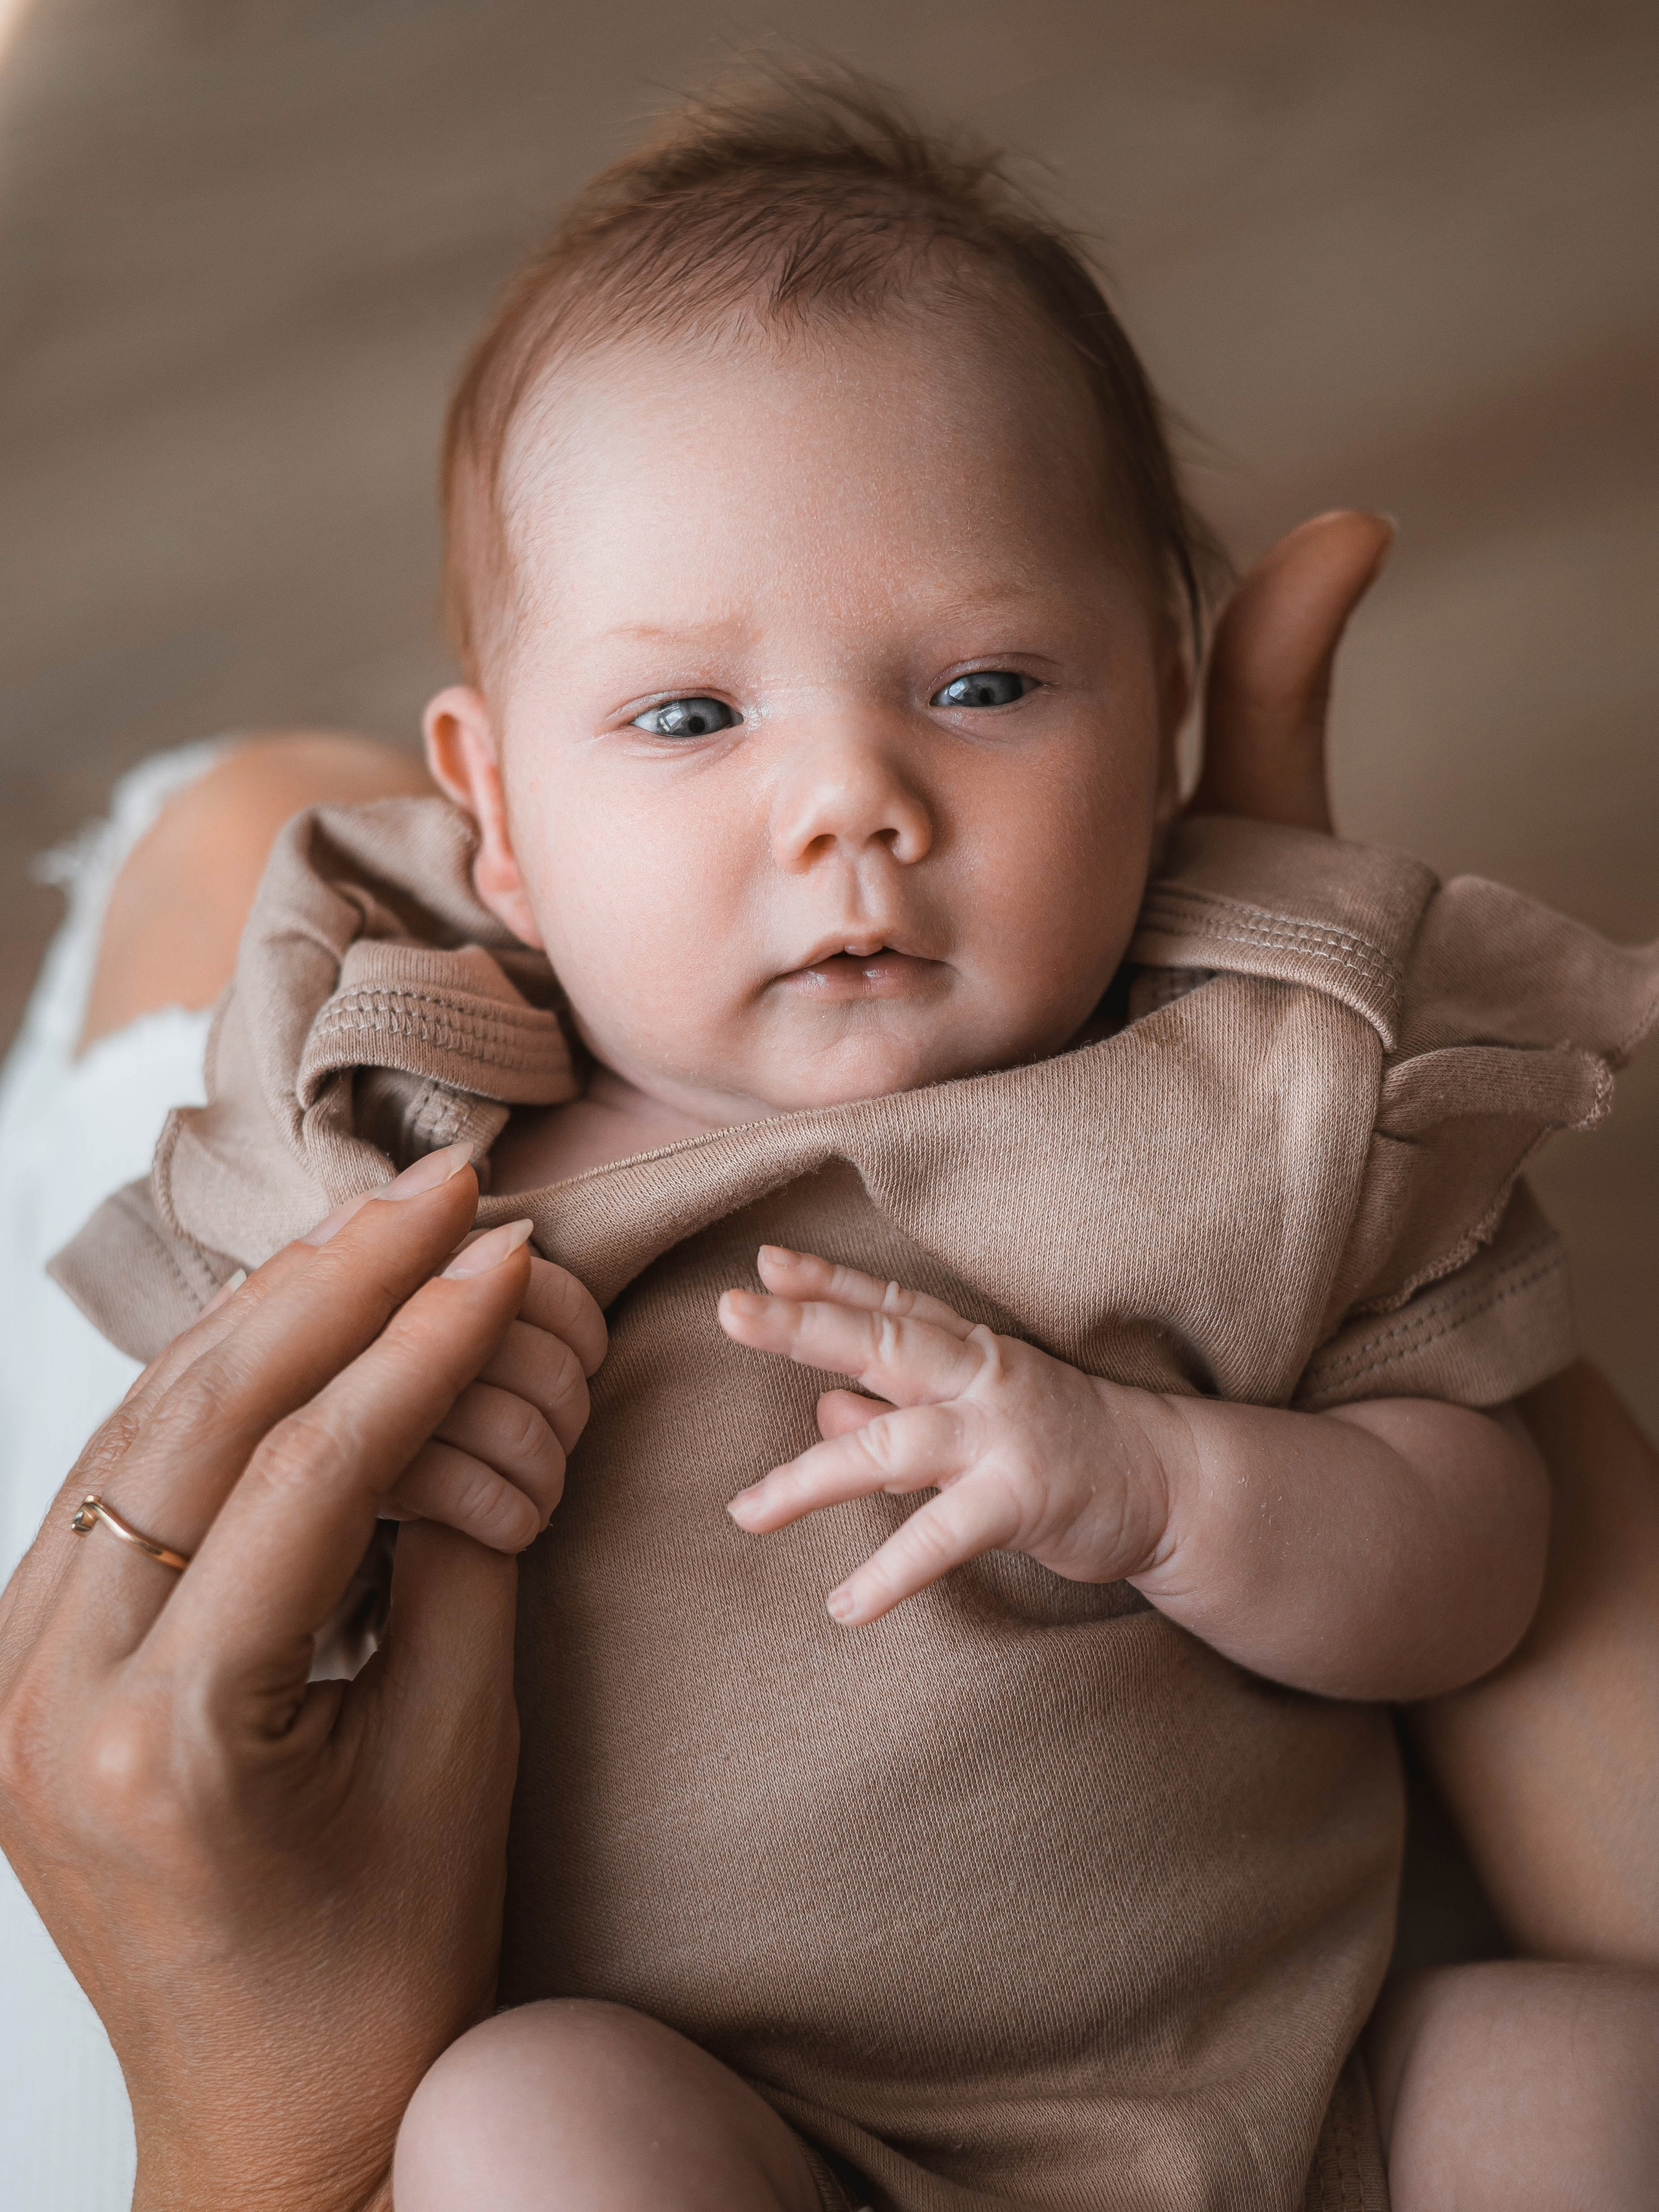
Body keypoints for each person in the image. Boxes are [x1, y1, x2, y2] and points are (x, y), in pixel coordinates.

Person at [5, 72, 1657, 2212]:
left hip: (1290, 2112)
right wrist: (363, 1513)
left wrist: (1161, 1488)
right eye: (692, 717)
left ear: (1164, 721)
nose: (850, 800)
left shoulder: (1245, 1106)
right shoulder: (399, 1156)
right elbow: (163, 1548)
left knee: (1578, 2071)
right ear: (492, 813)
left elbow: (1484, 1571)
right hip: (761, 2146)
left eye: (981, 686)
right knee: (522, 2119)